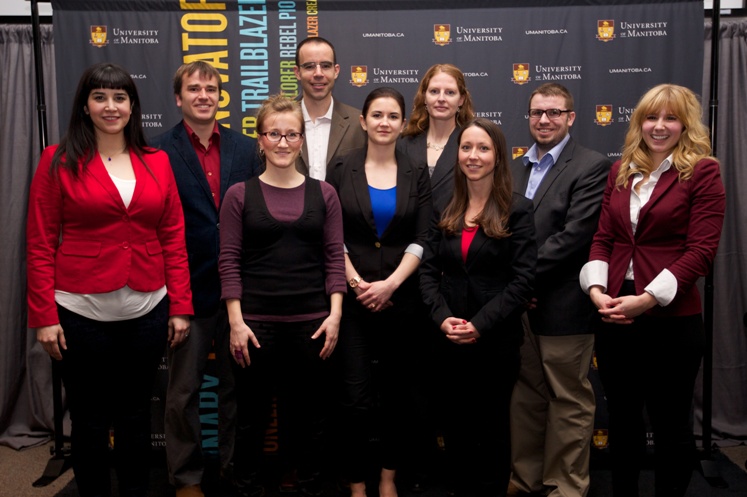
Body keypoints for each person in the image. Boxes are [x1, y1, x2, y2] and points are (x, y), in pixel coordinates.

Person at [26, 62, 193, 497]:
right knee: (90, 419)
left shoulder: (157, 161)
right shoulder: (58, 160)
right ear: (85, 105)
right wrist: (44, 316)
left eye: (120, 97)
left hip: (147, 311)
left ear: (133, 106)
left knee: (137, 416)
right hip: (80, 313)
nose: (110, 106)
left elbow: (173, 235)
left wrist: (180, 306)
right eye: (100, 97)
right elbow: (40, 243)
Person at [579, 83, 725, 497]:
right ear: (639, 121)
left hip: (671, 321)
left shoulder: (703, 171)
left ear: (685, 124)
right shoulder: (620, 170)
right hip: (615, 314)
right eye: (651, 117)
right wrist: (596, 290)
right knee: (623, 423)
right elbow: (604, 239)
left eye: (670, 118)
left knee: (671, 426)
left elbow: (701, 252)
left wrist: (645, 300)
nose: (659, 126)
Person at [219, 94, 346, 497]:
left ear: (302, 140)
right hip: (255, 327)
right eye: (274, 133)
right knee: (251, 419)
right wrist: (236, 323)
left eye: (292, 134)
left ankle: (307, 485)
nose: (283, 142)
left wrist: (336, 315)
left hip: (313, 325)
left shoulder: (324, 194)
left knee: (309, 420)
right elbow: (229, 261)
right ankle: (247, 487)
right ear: (260, 139)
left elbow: (333, 259)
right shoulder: (239, 195)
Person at [151, 61, 261, 497]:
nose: (203, 95)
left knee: (240, 391)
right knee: (182, 394)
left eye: (211, 89)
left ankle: (235, 471)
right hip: (188, 291)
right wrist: (175, 298)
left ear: (221, 97)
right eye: (194, 89)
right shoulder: (157, 151)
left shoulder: (247, 148)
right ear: (178, 98)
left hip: (242, 294)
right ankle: (187, 478)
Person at [419, 118, 536, 497]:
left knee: (492, 429)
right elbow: (426, 274)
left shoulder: (518, 210)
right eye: (466, 147)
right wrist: (442, 320)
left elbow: (521, 282)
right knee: (455, 429)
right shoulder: (443, 206)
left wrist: (479, 325)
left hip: (495, 342)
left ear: (498, 156)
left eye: (483, 148)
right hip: (447, 341)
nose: (473, 155)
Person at [326, 87, 432, 497]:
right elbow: (331, 237)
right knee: (354, 399)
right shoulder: (341, 168)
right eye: (377, 115)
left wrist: (390, 285)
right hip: (352, 304)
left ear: (402, 124)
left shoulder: (415, 171)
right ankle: (355, 483)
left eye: (393, 116)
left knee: (397, 398)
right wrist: (356, 283)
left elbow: (422, 238)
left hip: (402, 302)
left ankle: (388, 478)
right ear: (364, 121)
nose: (384, 122)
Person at [508, 83, 612, 497]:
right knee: (526, 397)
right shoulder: (514, 167)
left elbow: (574, 237)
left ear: (571, 117)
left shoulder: (592, 166)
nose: (544, 120)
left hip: (563, 305)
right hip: (519, 308)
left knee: (568, 401)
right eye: (536, 112)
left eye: (554, 112)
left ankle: (565, 486)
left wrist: (521, 279)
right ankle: (526, 478)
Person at [398, 63, 475, 214]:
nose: (441, 98)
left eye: (450, 93)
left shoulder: (471, 146)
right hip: (411, 235)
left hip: (455, 233)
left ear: (461, 100)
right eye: (434, 91)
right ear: (424, 97)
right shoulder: (403, 144)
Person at [294, 36, 367, 180]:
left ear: (336, 71)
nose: (319, 73)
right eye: (309, 66)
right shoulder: (280, 121)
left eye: (326, 66)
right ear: (297, 72)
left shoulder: (359, 123)